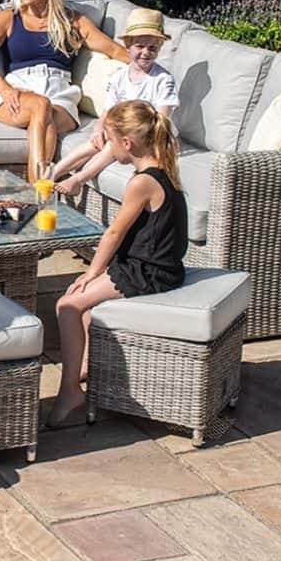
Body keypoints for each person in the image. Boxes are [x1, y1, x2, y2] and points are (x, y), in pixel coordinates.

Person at [49, 99, 187, 427]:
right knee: (84, 306)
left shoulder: (142, 182)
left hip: (148, 272)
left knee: (67, 305)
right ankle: (82, 367)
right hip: (155, 264)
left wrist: (91, 273)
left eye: (110, 141)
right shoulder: (164, 168)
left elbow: (113, 233)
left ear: (128, 143)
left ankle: (70, 392)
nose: (108, 148)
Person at [0, 0, 128, 182]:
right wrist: (4, 89)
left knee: (46, 117)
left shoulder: (73, 21)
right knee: (41, 106)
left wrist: (148, 67)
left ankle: (37, 190)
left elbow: (113, 50)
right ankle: (39, 189)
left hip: (60, 93)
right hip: (19, 93)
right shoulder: (9, 19)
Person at [54, 7, 179, 197]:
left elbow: (162, 119)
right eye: (139, 46)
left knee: (113, 145)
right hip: (122, 132)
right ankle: (53, 173)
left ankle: (78, 179)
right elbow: (109, 110)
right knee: (95, 142)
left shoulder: (163, 79)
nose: (146, 52)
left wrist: (121, 135)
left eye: (152, 48)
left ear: (159, 49)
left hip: (149, 137)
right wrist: (98, 130)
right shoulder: (120, 77)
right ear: (128, 46)